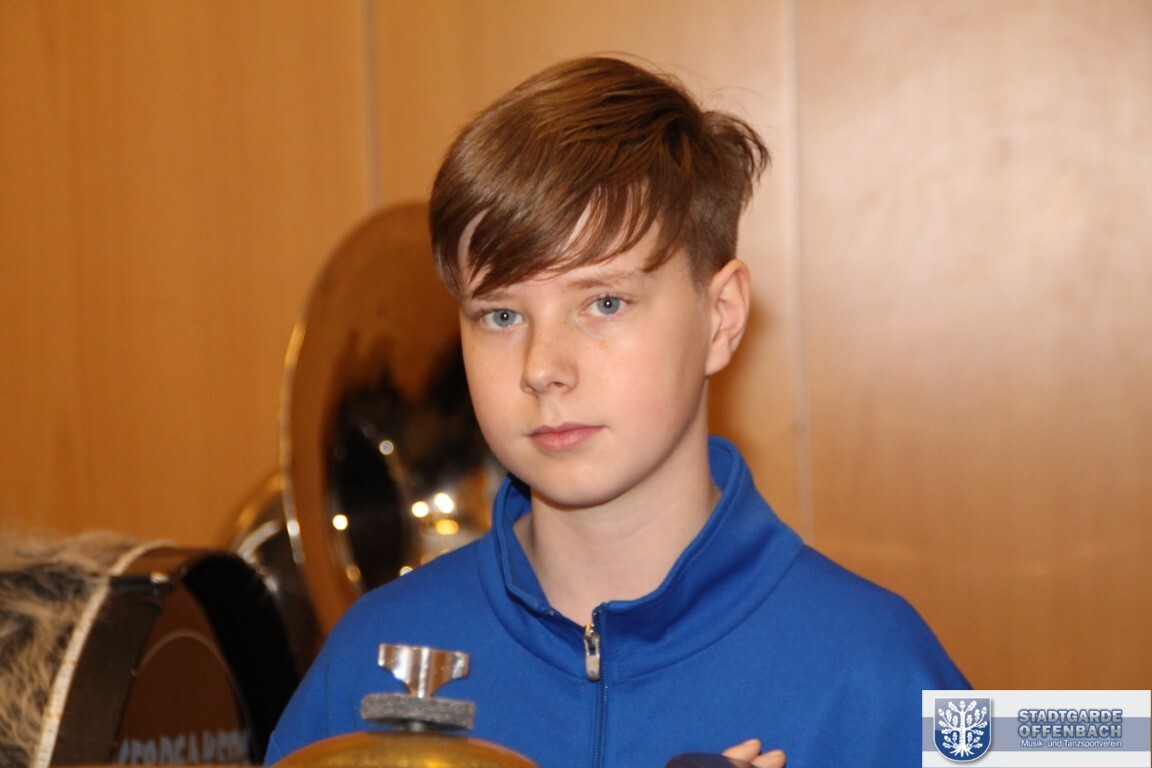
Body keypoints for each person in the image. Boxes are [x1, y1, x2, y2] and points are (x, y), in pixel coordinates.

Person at [265, 55, 968, 768]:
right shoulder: (369, 658)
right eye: (501, 315)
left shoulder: (879, 665)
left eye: (604, 303)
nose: (542, 367)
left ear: (721, 318)